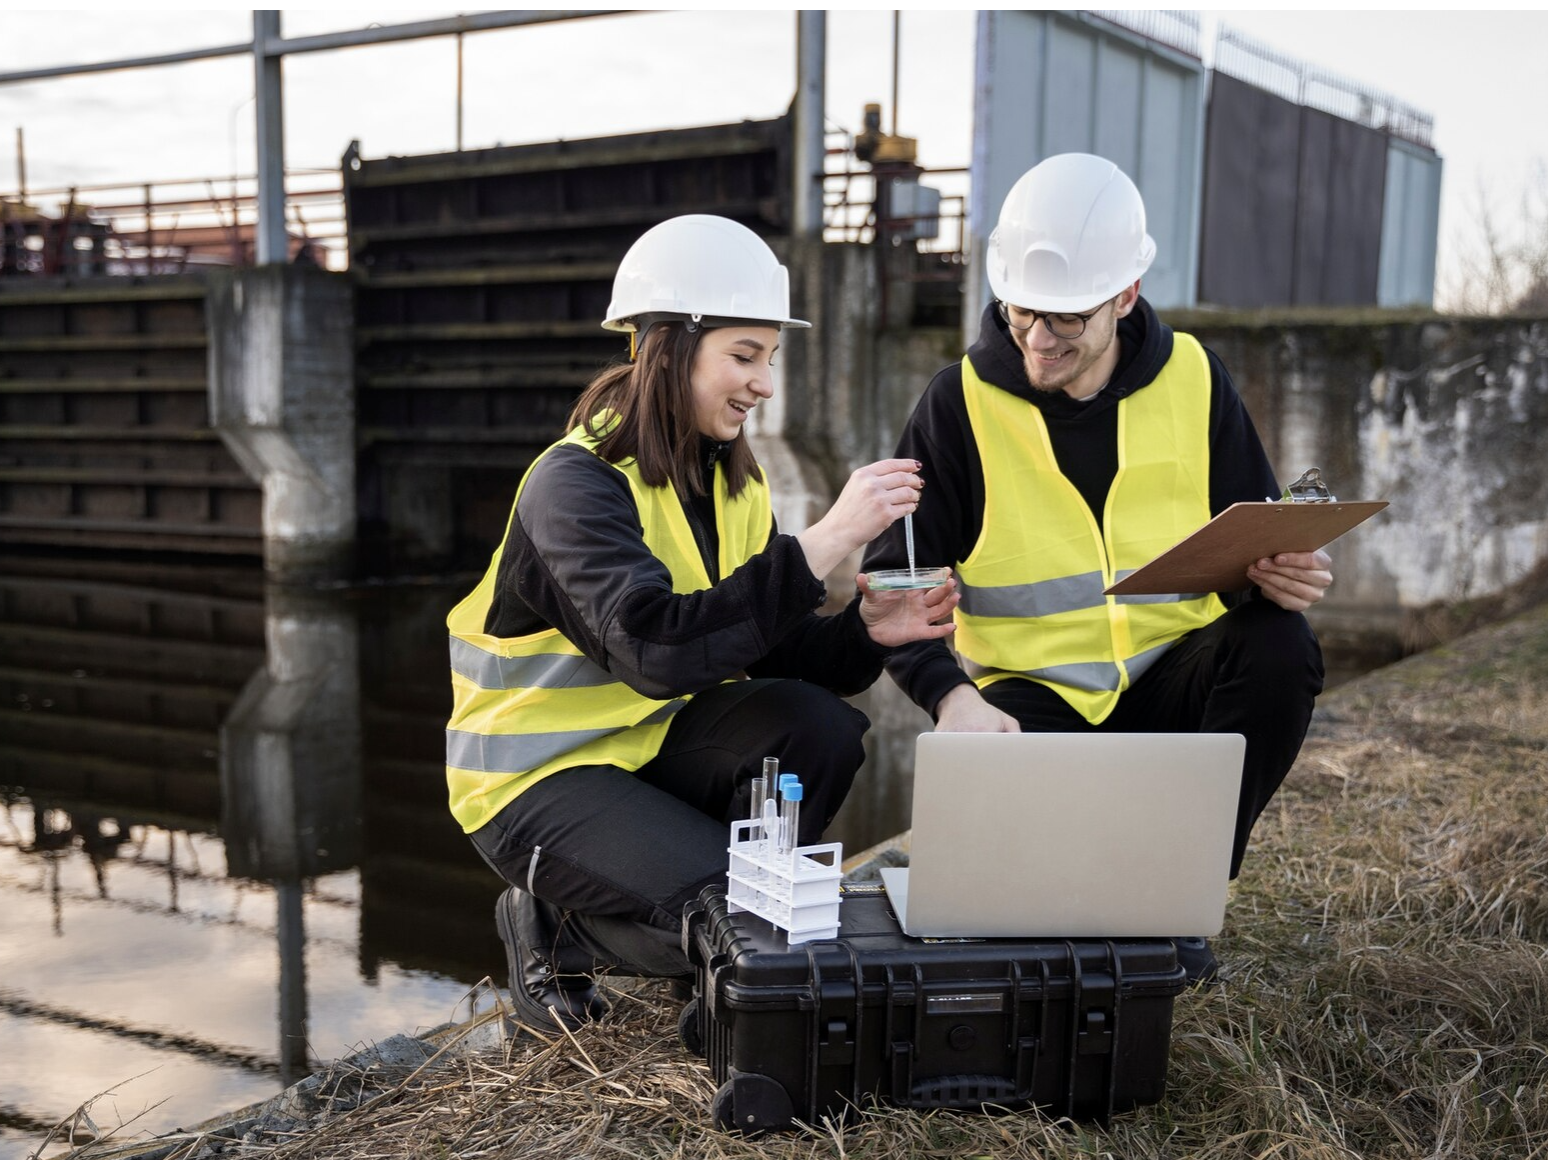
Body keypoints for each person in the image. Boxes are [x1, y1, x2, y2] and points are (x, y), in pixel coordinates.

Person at [445, 214, 958, 1036]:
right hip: (533, 783)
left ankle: (727, 961)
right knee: (734, 911)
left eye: (770, 360)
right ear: (668, 347)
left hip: (646, 750)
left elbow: (772, 649)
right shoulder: (572, 487)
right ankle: (551, 926)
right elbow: (653, 648)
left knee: (819, 725)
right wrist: (826, 538)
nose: (762, 384)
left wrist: (868, 631)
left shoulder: (731, 486)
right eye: (744, 357)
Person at [863, 154, 1332, 984]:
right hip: (1030, 703)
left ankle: (1177, 893)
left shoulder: (1194, 379)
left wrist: (1282, 573)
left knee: (1280, 645)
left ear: (1125, 296)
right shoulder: (957, 403)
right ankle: (1076, 900)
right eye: (1024, 312)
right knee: (1016, 906)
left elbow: (1252, 539)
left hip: (1171, 680)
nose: (1040, 339)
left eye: (1069, 318)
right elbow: (897, 582)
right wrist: (951, 696)